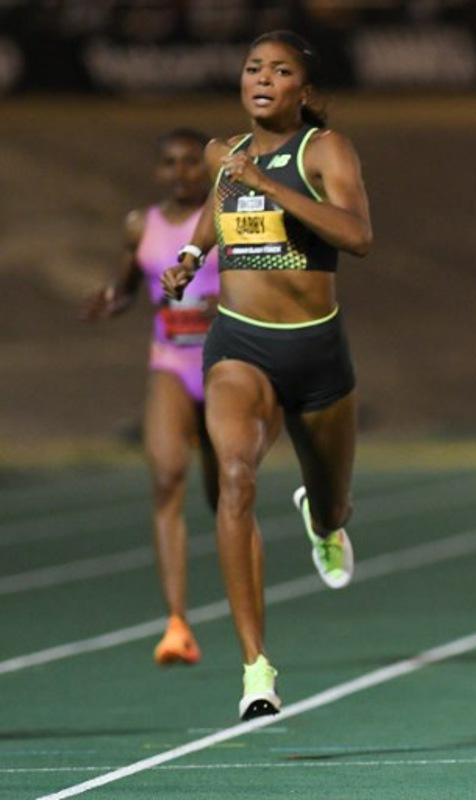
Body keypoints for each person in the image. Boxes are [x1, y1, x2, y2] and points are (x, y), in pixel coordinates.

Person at [162, 30, 372, 720]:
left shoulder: (324, 150)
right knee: (235, 477)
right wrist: (192, 255)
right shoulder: (229, 155)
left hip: (315, 352)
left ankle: (324, 518)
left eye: (280, 71)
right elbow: (218, 215)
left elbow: (357, 236)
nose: (262, 78)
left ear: (303, 93)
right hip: (239, 346)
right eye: (253, 67)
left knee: (334, 501)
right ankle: (257, 668)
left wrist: (265, 182)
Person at [82, 128, 221, 667]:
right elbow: (127, 288)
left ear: (206, 169)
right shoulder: (142, 224)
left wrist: (225, 306)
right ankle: (177, 623)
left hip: (223, 363)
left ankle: (240, 586)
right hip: (170, 362)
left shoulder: (223, 218)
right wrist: (109, 301)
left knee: (226, 486)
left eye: (192, 162)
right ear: (158, 170)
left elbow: (256, 283)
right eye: (171, 163)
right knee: (166, 478)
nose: (182, 172)